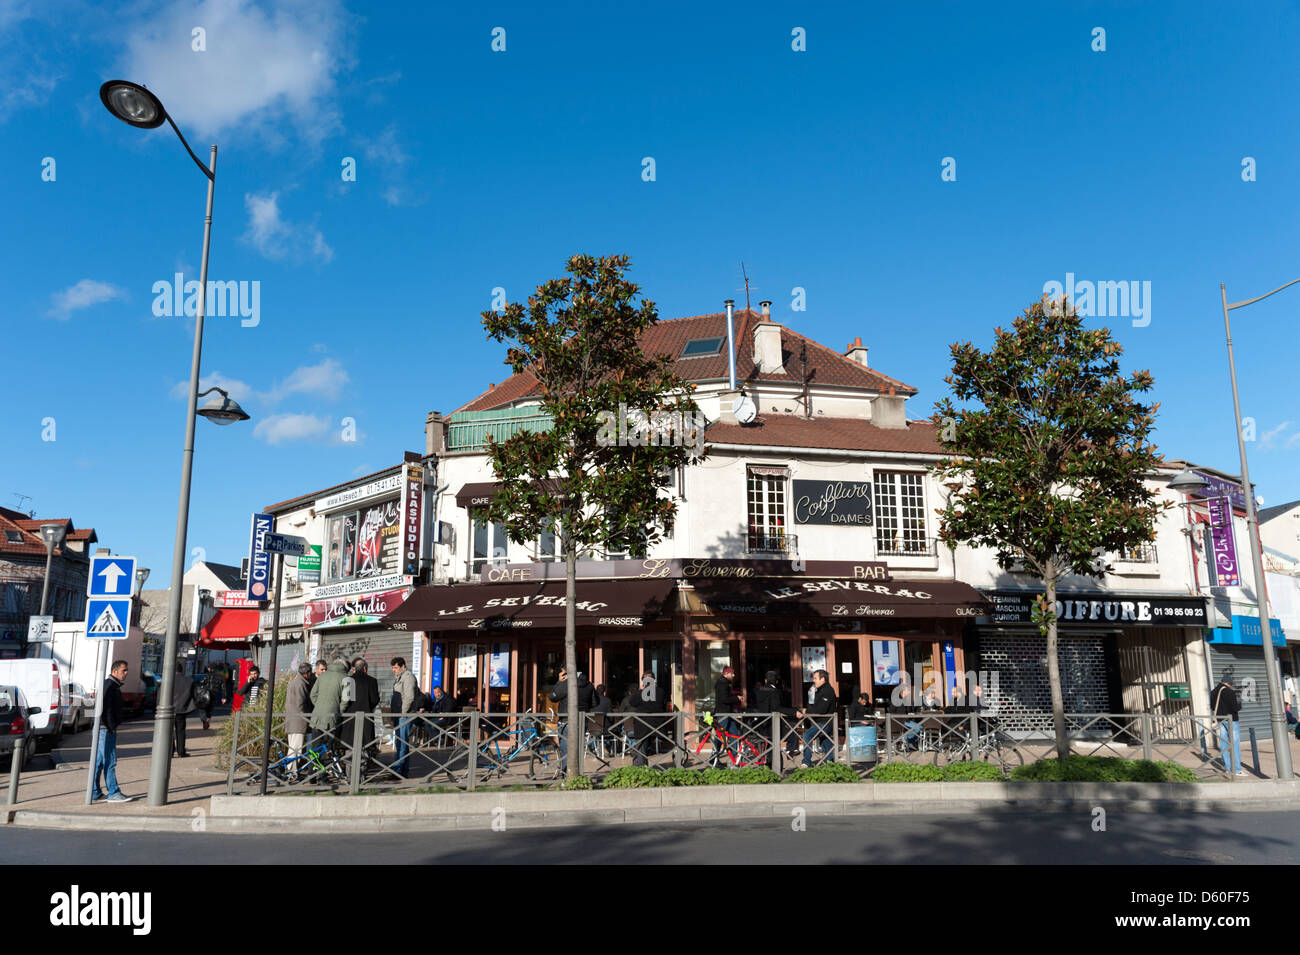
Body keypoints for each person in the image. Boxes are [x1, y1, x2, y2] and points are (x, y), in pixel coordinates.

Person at [92, 660, 133, 803]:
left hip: (103, 728)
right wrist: (110, 727)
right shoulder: (110, 686)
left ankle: (94, 792)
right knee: (110, 761)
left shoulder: (110, 685)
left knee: (99, 762)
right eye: (124, 670)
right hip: (105, 729)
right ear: (114, 671)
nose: (126, 673)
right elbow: (105, 709)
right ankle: (113, 793)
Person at [549, 667, 598, 773]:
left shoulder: (567, 684)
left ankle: (567, 775)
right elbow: (595, 703)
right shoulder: (589, 685)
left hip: (566, 720)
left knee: (565, 749)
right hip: (582, 721)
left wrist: (559, 682)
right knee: (578, 748)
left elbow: (552, 697)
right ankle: (577, 773)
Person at [797, 669, 838, 766]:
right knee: (825, 740)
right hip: (821, 722)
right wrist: (805, 712)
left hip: (826, 722)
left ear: (823, 679)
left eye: (815, 678)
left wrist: (805, 711)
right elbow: (814, 707)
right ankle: (831, 762)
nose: (814, 680)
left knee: (807, 735)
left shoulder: (828, 691)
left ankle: (806, 762)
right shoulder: (818, 690)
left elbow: (821, 709)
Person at [310, 655, 348, 753]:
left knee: (315, 747)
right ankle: (326, 767)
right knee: (328, 747)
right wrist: (338, 712)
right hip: (332, 718)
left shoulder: (322, 675)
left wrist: (318, 705)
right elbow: (345, 700)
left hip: (317, 717)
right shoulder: (346, 679)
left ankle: (313, 767)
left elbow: (313, 695)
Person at [1210, 673, 1245, 776]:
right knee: (1234, 744)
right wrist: (1239, 705)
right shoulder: (1229, 692)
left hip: (1220, 720)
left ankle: (1227, 768)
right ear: (1229, 683)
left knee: (1224, 744)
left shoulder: (1213, 692)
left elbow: (1213, 707)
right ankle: (1237, 769)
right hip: (1231, 720)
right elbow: (1234, 708)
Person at [346, 657, 380, 759]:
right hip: (366, 717)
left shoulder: (348, 680)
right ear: (365, 668)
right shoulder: (372, 681)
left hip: (349, 718)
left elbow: (345, 700)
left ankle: (349, 772)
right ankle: (362, 771)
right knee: (364, 745)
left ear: (354, 669)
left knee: (350, 745)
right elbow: (374, 700)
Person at [389, 656, 418, 777]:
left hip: (404, 715)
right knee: (400, 743)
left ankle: (399, 770)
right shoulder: (399, 678)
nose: (393, 670)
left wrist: (402, 713)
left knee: (402, 743)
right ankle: (401, 770)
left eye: (395, 667)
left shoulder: (408, 677)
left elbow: (409, 697)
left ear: (402, 666)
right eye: (392, 667)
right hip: (398, 715)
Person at [285, 663, 315, 778]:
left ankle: (291, 772)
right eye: (310, 672)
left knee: (293, 748)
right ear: (306, 673)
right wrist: (308, 718)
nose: (311, 674)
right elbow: (300, 704)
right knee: (296, 749)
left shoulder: (295, 682)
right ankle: (291, 773)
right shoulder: (300, 684)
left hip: (292, 720)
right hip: (298, 721)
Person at [628, 672, 663, 766]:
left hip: (642, 725)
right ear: (654, 680)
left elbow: (631, 702)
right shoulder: (660, 692)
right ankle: (642, 765)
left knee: (640, 746)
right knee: (643, 744)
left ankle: (639, 768)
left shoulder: (640, 693)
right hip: (657, 725)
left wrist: (642, 689)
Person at [713, 666, 744, 754]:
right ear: (726, 674)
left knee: (733, 733)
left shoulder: (724, 682)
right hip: (723, 713)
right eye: (732, 673)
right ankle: (713, 758)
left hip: (727, 713)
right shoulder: (723, 683)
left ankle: (734, 756)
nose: (734, 675)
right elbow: (724, 699)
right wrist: (736, 698)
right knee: (720, 736)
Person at [171, 663, 196, 757]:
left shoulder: (168, 679)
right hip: (182, 709)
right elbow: (194, 695)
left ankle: (170, 752)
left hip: (169, 709)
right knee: (180, 730)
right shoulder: (189, 681)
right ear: (182, 670)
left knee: (169, 731)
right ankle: (181, 751)